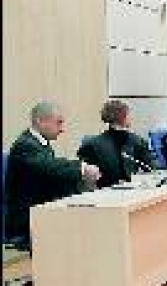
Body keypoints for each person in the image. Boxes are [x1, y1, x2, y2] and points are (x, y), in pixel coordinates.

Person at [4, 102, 101, 242]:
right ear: (40, 121)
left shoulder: (39, 143)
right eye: (59, 123)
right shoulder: (25, 145)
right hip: (26, 220)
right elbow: (50, 167)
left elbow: (52, 170)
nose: (62, 129)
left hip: (41, 211)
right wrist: (82, 168)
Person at [77, 100, 157, 188]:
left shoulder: (138, 141)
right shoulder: (92, 146)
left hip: (134, 190)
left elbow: (151, 168)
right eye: (128, 115)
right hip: (106, 192)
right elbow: (84, 177)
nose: (131, 118)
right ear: (122, 117)